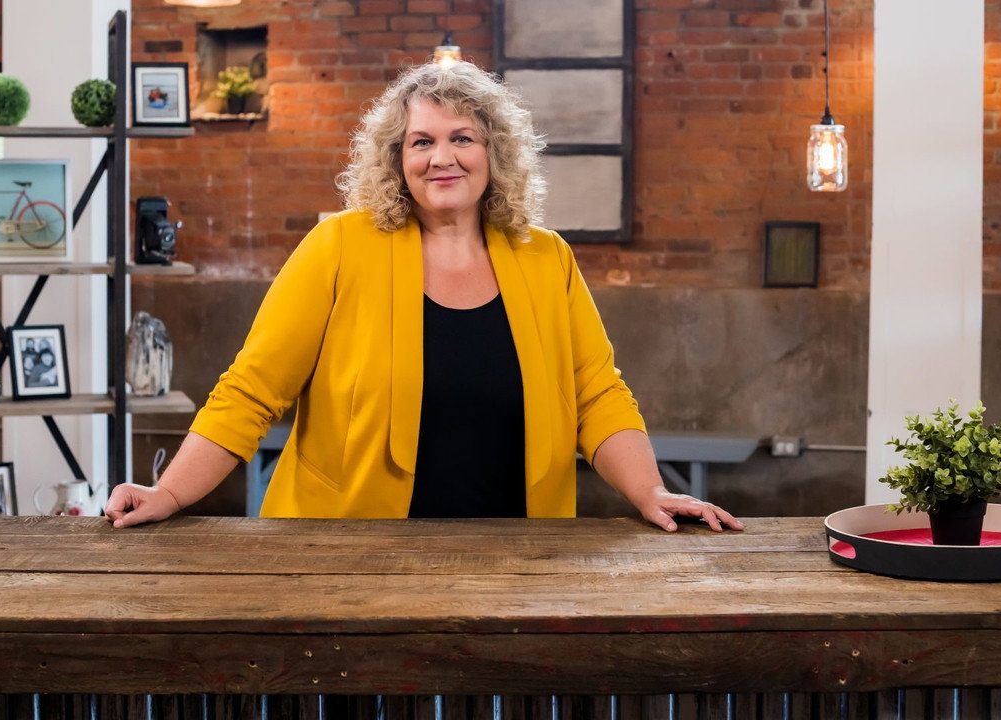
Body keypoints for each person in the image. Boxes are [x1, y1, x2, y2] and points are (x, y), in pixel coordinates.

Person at [105, 62, 742, 533]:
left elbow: (597, 394)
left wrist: (650, 491)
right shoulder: (338, 246)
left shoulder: (546, 258)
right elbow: (251, 391)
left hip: (520, 557)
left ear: (494, 154)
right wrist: (170, 493)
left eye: (463, 138)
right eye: (422, 141)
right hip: (345, 554)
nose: (443, 157)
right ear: (397, 158)